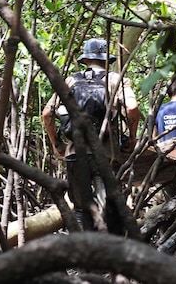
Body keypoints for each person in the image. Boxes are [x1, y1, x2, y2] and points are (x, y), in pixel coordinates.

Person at [41, 38, 141, 232]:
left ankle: (81, 252)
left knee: (79, 209)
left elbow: (47, 114)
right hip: (105, 153)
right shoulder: (115, 79)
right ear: (106, 60)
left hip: (75, 153)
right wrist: (132, 136)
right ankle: (109, 249)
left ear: (85, 60)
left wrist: (56, 143)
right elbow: (132, 108)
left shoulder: (70, 81)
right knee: (109, 205)